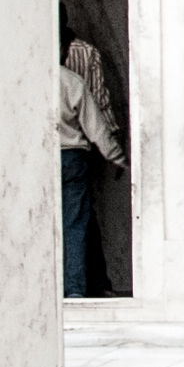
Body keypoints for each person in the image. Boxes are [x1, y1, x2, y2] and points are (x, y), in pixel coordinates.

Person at [57, 29, 124, 299]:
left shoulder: (24, 82)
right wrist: (116, 156)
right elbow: (96, 127)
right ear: (64, 49)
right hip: (73, 157)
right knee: (74, 224)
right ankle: (74, 290)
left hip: (39, 158)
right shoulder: (72, 81)